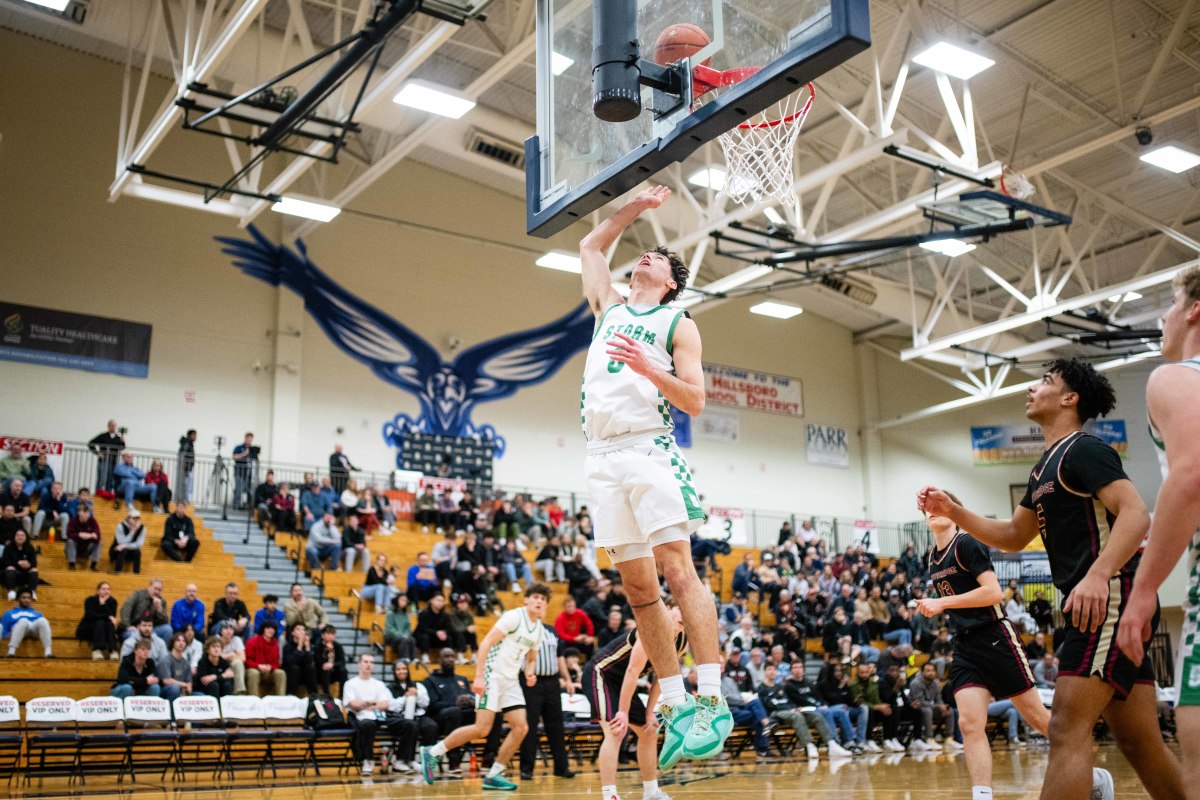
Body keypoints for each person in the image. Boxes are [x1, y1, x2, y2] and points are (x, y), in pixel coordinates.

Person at [919, 356, 1182, 800]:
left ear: (1069, 397)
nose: (1030, 388)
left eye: (1044, 380)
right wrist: (955, 511)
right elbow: (1013, 536)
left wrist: (1099, 575)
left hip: (1108, 600)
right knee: (1140, 741)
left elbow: (1136, 515)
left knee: (1063, 727)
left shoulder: (1083, 448)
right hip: (1097, 603)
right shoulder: (1043, 467)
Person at [578, 185, 728, 769]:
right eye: (644, 253)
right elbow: (591, 244)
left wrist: (648, 370)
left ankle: (712, 696)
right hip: (600, 457)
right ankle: (677, 702)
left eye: (658, 259)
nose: (646, 256)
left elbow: (695, 401)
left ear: (669, 281)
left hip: (649, 449)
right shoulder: (608, 306)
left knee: (676, 569)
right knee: (639, 591)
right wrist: (636, 206)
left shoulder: (677, 322)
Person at [917, 491, 1076, 796]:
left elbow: (993, 593)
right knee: (969, 723)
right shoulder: (932, 557)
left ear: (955, 512)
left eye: (939, 507)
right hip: (964, 645)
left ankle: (1089, 773)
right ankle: (982, 795)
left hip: (994, 637)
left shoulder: (966, 543)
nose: (932, 511)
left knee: (1037, 717)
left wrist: (942, 603)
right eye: (928, 508)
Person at [1117, 265, 1200, 800]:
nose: (1163, 316)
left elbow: (1191, 473)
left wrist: (1143, 590)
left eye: (1170, 302)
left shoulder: (1176, 376)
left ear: (1194, 309)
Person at [419, 583, 550, 789]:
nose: (539, 601)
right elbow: (486, 643)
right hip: (492, 675)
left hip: (511, 679)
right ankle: (433, 752)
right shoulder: (514, 617)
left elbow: (531, 657)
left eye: (543, 599)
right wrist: (479, 676)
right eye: (535, 597)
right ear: (526, 599)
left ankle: (494, 773)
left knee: (521, 727)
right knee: (482, 729)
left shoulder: (539, 629)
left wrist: (530, 671)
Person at [587, 605, 685, 800]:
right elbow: (632, 671)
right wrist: (622, 712)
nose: (685, 613)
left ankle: (651, 792)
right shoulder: (649, 631)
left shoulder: (682, 641)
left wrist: (649, 712)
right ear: (667, 609)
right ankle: (610, 796)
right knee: (616, 731)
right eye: (680, 608)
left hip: (624, 683)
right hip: (602, 675)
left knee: (649, 731)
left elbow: (662, 677)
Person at [519, 621, 575, 781]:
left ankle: (561, 767)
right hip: (531, 681)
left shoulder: (551, 630)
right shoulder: (523, 629)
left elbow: (559, 657)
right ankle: (526, 769)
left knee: (556, 726)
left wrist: (567, 679)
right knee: (529, 726)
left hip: (552, 682)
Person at [342, 653, 409, 775]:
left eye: (372, 662)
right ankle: (368, 760)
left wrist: (366, 704)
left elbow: (384, 704)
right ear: (359, 664)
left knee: (408, 724)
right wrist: (371, 703)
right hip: (361, 718)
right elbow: (354, 704)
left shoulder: (379, 684)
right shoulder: (350, 684)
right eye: (366, 662)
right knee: (367, 724)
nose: (369, 665)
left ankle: (400, 761)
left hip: (380, 716)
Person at [422, 647, 476, 773]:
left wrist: (472, 701)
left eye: (453, 656)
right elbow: (432, 705)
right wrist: (456, 703)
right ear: (439, 660)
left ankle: (489, 757)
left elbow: (471, 696)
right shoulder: (430, 680)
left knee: (491, 712)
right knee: (454, 712)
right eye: (446, 656)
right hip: (441, 719)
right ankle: (454, 760)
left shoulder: (462, 679)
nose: (451, 659)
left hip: (462, 718)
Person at [389, 660, 438, 774]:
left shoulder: (418, 685)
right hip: (400, 717)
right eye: (398, 669)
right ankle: (408, 759)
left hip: (419, 715)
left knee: (431, 726)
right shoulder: (390, 688)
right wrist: (405, 697)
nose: (401, 671)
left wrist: (417, 694)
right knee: (410, 726)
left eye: (404, 669)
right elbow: (392, 706)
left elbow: (426, 703)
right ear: (394, 672)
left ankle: (426, 760)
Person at [120, 577, 173, 643]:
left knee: (168, 629)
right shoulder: (138, 594)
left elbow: (165, 622)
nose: (157, 592)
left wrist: (159, 609)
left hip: (151, 629)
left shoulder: (161, 601)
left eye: (159, 590)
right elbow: (126, 608)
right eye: (155, 588)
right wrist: (127, 626)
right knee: (131, 634)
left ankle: (162, 652)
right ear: (149, 587)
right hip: (134, 628)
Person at [2, 589, 52, 657]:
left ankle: (48, 653)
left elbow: (43, 628)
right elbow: (4, 630)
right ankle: (11, 652)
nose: (26, 600)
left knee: (43, 620)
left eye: (29, 598)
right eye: (23, 597)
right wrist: (6, 635)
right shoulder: (9, 613)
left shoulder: (37, 614)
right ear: (18, 599)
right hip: (19, 630)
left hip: (34, 631)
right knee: (23, 621)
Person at [244, 620, 287, 696]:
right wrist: (258, 666)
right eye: (268, 628)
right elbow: (247, 660)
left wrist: (270, 667)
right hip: (254, 669)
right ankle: (254, 700)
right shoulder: (253, 641)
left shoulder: (275, 644)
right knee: (254, 673)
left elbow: (276, 663)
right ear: (263, 629)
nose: (270, 630)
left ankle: (281, 699)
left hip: (268, 671)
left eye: (273, 628)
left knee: (281, 673)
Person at [78, 580, 119, 659]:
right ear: (97, 591)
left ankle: (112, 650)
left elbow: (111, 617)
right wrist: (107, 616)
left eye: (108, 589)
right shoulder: (90, 600)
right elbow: (90, 616)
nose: (106, 591)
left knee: (109, 624)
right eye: (103, 589)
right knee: (100, 622)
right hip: (89, 627)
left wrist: (103, 605)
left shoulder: (113, 601)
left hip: (105, 627)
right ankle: (97, 650)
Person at [88, 420, 124, 495]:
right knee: (102, 478)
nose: (113, 427)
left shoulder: (118, 438)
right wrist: (97, 453)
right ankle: (98, 493)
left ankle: (108, 493)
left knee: (111, 479)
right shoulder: (103, 436)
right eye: (111, 425)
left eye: (114, 425)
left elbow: (122, 448)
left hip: (113, 462)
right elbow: (90, 443)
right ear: (108, 426)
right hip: (103, 461)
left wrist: (122, 440)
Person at [415, 593, 455, 659]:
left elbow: (448, 628)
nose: (440, 603)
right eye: (438, 600)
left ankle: (448, 657)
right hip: (425, 636)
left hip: (437, 638)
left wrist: (444, 632)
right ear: (432, 601)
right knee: (424, 637)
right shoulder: (423, 613)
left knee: (448, 638)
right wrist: (436, 633)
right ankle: (425, 656)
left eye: (442, 601)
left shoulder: (445, 615)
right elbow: (423, 628)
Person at [283, 623, 318, 696]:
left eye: (303, 630)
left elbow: (310, 662)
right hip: (291, 674)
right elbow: (290, 662)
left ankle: (313, 695)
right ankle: (290, 695)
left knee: (311, 668)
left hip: (304, 674)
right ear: (292, 633)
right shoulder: (288, 646)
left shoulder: (309, 645)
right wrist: (299, 647)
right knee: (294, 668)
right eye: (298, 629)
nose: (301, 632)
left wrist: (308, 648)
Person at [64, 503, 102, 572]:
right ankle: (72, 564)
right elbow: (69, 535)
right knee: (70, 541)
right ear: (78, 513)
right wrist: (79, 534)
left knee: (99, 542)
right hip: (74, 548)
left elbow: (98, 536)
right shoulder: (73, 521)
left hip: (86, 549)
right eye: (83, 513)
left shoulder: (92, 521)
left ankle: (93, 565)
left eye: (86, 513)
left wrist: (87, 535)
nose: (85, 515)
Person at [2, 529, 38, 600]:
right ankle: (11, 591)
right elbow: (4, 562)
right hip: (12, 574)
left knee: (34, 570)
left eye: (22, 535)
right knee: (10, 568)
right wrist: (17, 563)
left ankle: (31, 591)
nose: (20, 537)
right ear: (14, 537)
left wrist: (29, 565)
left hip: (25, 573)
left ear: (26, 537)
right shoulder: (8, 547)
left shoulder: (30, 547)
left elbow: (34, 562)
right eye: (18, 535)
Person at [158, 632, 193, 701]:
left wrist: (188, 688)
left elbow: (189, 681)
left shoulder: (186, 663)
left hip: (182, 690)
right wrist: (184, 685)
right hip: (166, 690)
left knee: (200, 695)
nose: (181, 643)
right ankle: (171, 711)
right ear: (173, 643)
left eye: (183, 641)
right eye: (178, 640)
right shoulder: (166, 660)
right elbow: (167, 681)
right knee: (174, 688)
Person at [110, 508, 146, 574]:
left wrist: (125, 545)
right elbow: (120, 542)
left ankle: (136, 574)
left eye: (138, 518)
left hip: (130, 551)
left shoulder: (142, 528)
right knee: (122, 550)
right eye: (134, 518)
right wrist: (132, 532)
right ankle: (117, 572)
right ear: (128, 518)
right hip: (116, 551)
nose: (136, 520)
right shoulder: (120, 526)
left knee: (137, 552)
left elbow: (139, 544)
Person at [315, 624, 347, 696]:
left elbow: (342, 661)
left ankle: (342, 696)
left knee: (343, 670)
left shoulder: (338, 646)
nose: (331, 636)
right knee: (326, 668)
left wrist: (332, 664)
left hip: (334, 672)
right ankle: (327, 695)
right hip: (321, 673)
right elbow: (317, 661)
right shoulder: (318, 646)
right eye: (328, 633)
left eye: (333, 634)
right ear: (322, 635)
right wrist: (327, 652)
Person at [217, 621, 247, 694]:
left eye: (231, 628)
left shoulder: (236, 639)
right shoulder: (216, 639)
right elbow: (214, 657)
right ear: (221, 630)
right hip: (217, 665)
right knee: (236, 661)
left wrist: (225, 656)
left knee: (238, 663)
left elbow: (243, 658)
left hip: (232, 665)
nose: (229, 631)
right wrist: (230, 655)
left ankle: (239, 691)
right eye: (226, 628)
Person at [384, 594, 417, 662]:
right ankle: (404, 658)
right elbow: (389, 629)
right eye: (402, 600)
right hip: (391, 637)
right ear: (397, 600)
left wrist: (406, 635)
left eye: (405, 600)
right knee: (403, 640)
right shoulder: (391, 613)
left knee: (412, 640)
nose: (404, 602)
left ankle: (413, 658)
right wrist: (401, 635)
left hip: (402, 638)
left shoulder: (406, 614)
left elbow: (408, 628)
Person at [448, 594, 478, 661]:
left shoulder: (469, 615)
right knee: (459, 634)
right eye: (461, 603)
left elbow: (471, 626)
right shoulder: (451, 614)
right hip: (454, 636)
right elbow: (453, 628)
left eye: (465, 603)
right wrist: (466, 629)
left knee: (473, 634)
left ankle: (474, 656)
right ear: (457, 604)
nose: (463, 605)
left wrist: (471, 629)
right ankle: (460, 656)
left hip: (465, 635)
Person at [231, 432, 256, 511]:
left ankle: (248, 507)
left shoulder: (252, 449)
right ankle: (236, 506)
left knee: (249, 490)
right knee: (239, 489)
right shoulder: (239, 447)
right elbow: (234, 456)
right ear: (245, 438)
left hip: (248, 473)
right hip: (239, 472)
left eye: (251, 439)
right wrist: (244, 454)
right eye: (248, 439)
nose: (249, 441)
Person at [176, 429, 196, 506]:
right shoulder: (186, 444)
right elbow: (183, 456)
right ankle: (185, 500)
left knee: (188, 485)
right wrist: (185, 468)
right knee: (186, 485)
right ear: (189, 435)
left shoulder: (189, 444)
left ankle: (186, 500)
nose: (195, 437)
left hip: (188, 468)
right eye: (193, 435)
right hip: (186, 469)